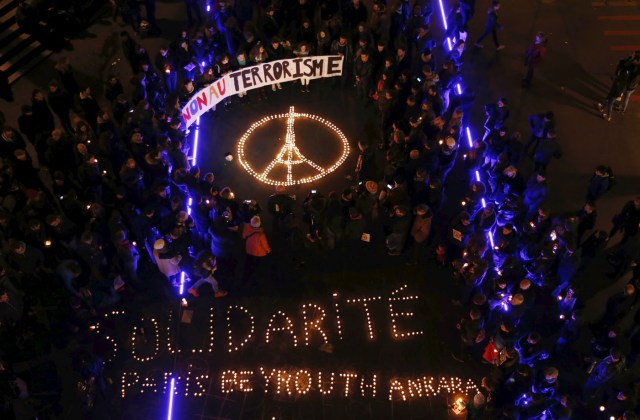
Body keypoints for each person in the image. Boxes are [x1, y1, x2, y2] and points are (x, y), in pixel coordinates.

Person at [598, 51, 639, 121]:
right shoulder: (626, 71)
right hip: (617, 87)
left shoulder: (626, 74)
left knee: (610, 101)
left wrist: (619, 94)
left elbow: (621, 84)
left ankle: (608, 116)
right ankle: (602, 108)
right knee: (609, 98)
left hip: (617, 90)